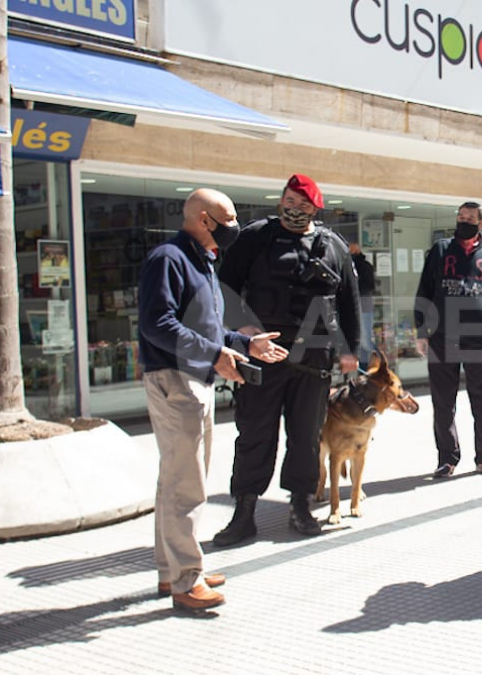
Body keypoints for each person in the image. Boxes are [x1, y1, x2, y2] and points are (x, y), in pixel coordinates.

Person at [138, 188, 288, 612]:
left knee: (177, 479)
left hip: (194, 377)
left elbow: (205, 329)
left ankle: (172, 570)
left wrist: (243, 343)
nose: (234, 227)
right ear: (204, 219)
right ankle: (186, 579)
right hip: (177, 379)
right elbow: (157, 324)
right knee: (186, 484)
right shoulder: (169, 259)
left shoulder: (201, 261)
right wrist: (215, 354)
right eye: (229, 218)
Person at [212, 173, 362, 547]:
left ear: (316, 209)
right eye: (289, 201)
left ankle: (300, 505)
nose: (294, 209)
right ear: (281, 201)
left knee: (306, 435)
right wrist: (241, 327)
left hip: (313, 357)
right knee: (254, 433)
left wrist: (350, 350)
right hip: (262, 353)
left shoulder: (332, 245)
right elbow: (224, 287)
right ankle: (244, 510)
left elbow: (349, 301)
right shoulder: (256, 237)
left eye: (303, 204)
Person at [414, 201, 482, 478]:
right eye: (460, 216)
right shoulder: (440, 250)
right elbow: (424, 291)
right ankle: (447, 459)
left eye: (470, 218)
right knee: (443, 401)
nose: (464, 221)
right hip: (441, 336)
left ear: (481, 223)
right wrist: (422, 331)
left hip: (479, 339)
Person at [350, 241, 377, 369]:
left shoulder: (364, 266)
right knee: (359, 341)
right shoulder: (348, 265)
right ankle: (364, 368)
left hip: (363, 304)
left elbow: (370, 286)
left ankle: (380, 363)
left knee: (365, 341)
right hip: (356, 305)